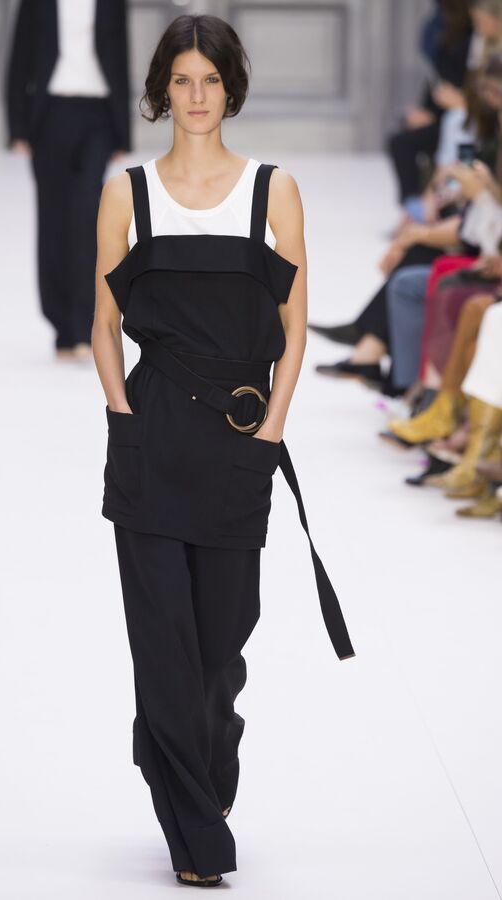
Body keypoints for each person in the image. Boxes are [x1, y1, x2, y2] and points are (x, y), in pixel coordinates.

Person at [91, 13, 355, 888]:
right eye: (181, 80)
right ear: (161, 90)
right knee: (161, 649)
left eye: (210, 80)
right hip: (153, 435)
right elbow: (103, 325)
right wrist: (123, 420)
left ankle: (196, 766)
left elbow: (294, 326)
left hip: (240, 440)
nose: (196, 96)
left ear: (229, 88)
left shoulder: (273, 191)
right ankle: (197, 840)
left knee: (218, 652)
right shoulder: (127, 193)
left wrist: (272, 430)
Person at [4, 0, 131, 361]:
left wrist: (122, 132)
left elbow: (120, 56)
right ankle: (61, 326)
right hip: (50, 114)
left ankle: (85, 324)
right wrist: (17, 127)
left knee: (89, 215)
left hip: (98, 114)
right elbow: (20, 56)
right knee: (54, 218)